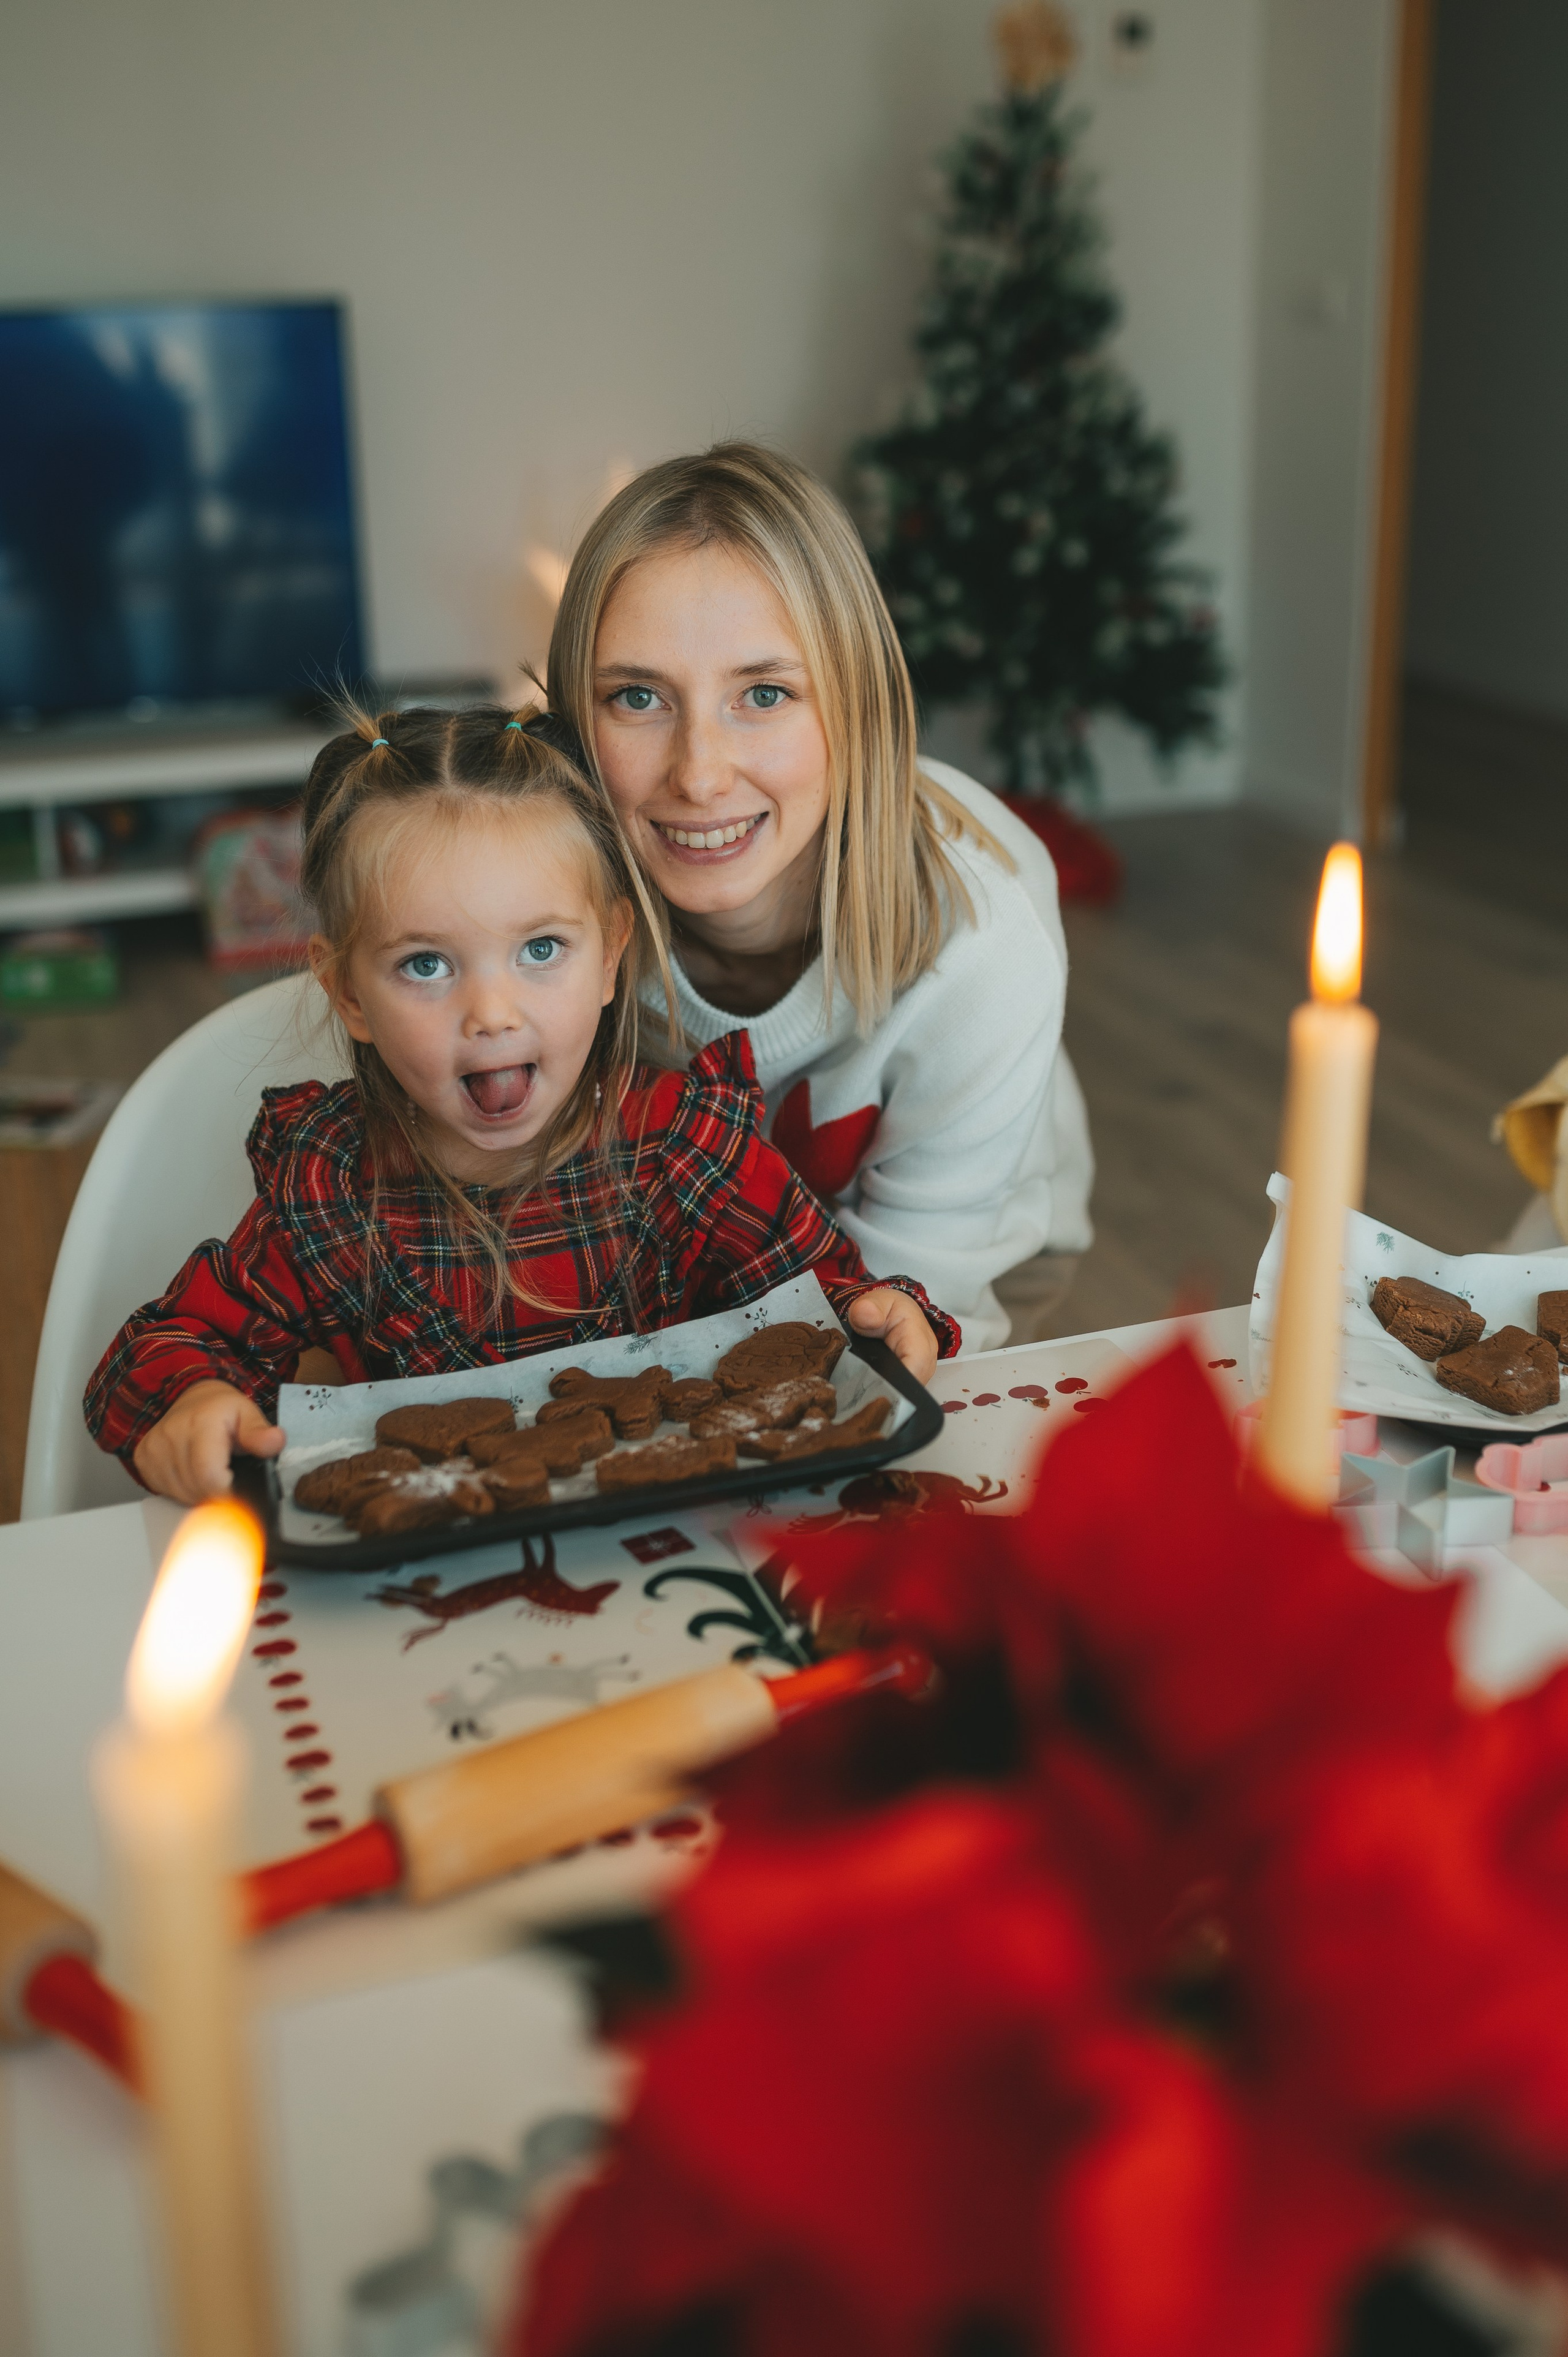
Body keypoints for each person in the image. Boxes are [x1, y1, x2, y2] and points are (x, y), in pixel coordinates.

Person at [85, 706, 956, 1506]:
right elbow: (163, 1349)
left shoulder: (682, 1146)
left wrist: (880, 1315)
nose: (493, 1014)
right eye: (426, 964)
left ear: (612, 955)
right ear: (347, 992)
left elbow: (827, 1304)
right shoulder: (334, 1188)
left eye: (541, 948)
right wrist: (192, 1400)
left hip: (681, 1532)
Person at [546, 442, 1094, 1356]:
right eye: (637, 697)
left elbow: (910, 1312)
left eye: (764, 693)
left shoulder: (985, 937)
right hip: (683, 1262)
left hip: (962, 1260)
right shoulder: (543, 903)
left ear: (857, 703)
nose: (701, 773)